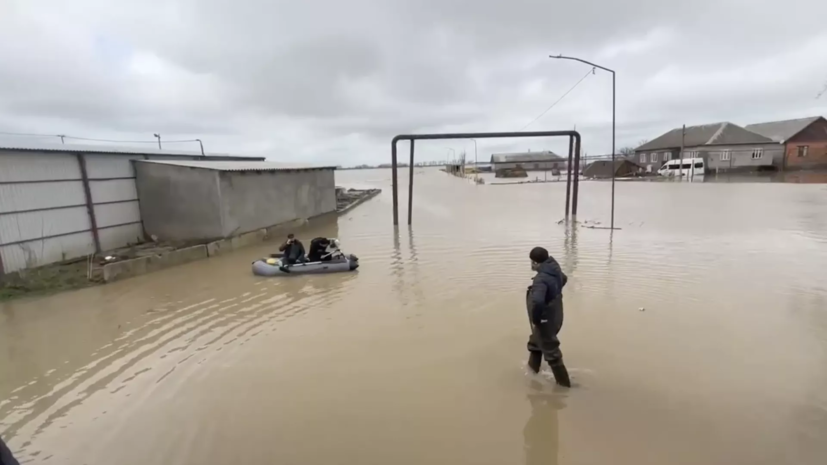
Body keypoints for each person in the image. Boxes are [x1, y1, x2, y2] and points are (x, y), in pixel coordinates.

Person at [526, 246, 571, 387]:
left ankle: (565, 387)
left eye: (531, 262)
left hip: (545, 320)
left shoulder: (540, 280)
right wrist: (553, 292)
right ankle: (532, 373)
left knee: (552, 352)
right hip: (557, 314)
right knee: (536, 342)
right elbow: (564, 278)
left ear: (535, 263)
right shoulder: (554, 268)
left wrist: (536, 319)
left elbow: (538, 301)